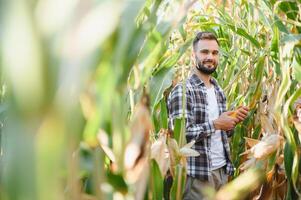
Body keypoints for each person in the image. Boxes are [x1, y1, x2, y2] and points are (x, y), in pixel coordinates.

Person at [167, 31, 249, 199]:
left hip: (222, 171)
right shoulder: (183, 91)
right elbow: (179, 138)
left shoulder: (217, 89)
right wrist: (216, 124)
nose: (210, 57)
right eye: (204, 52)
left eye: (214, 53)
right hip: (197, 176)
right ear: (193, 55)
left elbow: (220, 134)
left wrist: (232, 121)